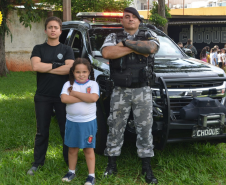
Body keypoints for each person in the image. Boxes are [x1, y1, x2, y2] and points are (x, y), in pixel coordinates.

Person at [100, 7, 159, 184]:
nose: (131, 19)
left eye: (134, 17)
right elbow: (107, 53)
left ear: (139, 21)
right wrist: (136, 48)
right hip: (120, 90)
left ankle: (146, 167)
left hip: (143, 90)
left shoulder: (148, 33)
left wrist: (125, 45)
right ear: (122, 21)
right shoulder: (112, 37)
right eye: (127, 17)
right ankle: (111, 164)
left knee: (145, 128)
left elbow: (151, 48)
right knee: (115, 126)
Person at [27, 16, 75, 175]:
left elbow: (69, 69)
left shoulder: (66, 49)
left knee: (65, 130)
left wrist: (46, 67)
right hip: (43, 96)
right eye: (50, 27)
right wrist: (57, 66)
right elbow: (35, 66)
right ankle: (37, 163)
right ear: (45, 30)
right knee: (42, 131)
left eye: (56, 27)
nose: (53, 30)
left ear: (60, 31)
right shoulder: (38, 48)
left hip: (63, 96)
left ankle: (69, 163)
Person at [60, 58, 99, 184]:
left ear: (89, 72)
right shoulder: (68, 85)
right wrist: (85, 98)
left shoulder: (93, 84)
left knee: (88, 149)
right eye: (78, 72)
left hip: (88, 123)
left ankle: (91, 175)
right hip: (72, 122)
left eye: (84, 72)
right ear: (73, 72)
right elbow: (64, 99)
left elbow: (93, 98)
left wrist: (75, 94)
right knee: (72, 148)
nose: (81, 75)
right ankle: (71, 171)